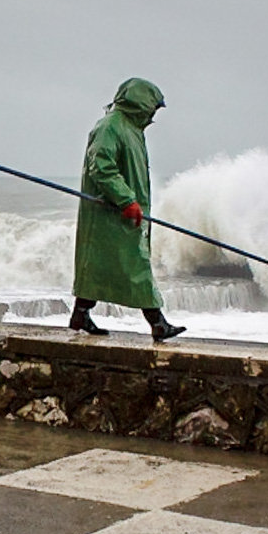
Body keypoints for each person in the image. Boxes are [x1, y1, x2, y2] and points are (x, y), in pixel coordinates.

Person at [70, 77, 185, 340]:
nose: (154, 115)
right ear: (140, 102)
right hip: (110, 213)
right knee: (138, 268)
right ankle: (158, 323)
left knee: (99, 266)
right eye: (153, 108)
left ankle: (80, 314)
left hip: (126, 213)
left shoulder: (132, 130)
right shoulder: (110, 127)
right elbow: (101, 166)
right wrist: (126, 200)